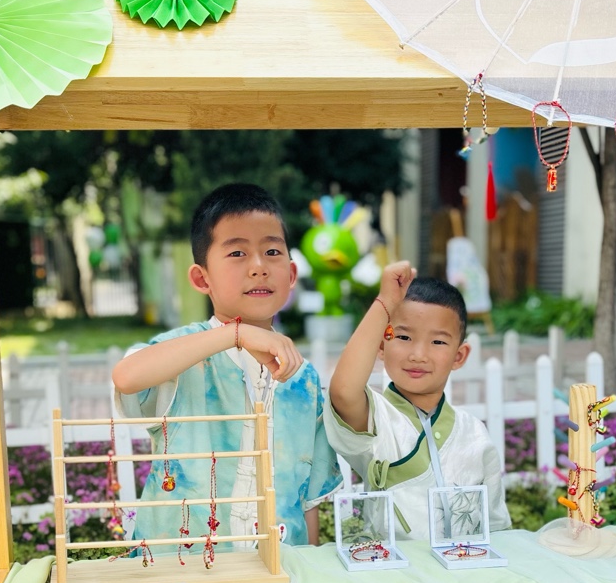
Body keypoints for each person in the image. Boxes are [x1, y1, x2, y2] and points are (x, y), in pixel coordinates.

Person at [112, 183, 340, 551]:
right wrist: (235, 334)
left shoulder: (304, 378)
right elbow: (126, 377)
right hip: (180, 569)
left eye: (272, 251)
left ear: (291, 274)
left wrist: (309, 570)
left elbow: (308, 500)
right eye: (237, 252)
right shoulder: (183, 355)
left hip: (279, 568)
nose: (259, 267)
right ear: (202, 278)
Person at [324, 263, 510, 541]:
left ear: (459, 356)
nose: (418, 354)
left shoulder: (474, 432)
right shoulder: (376, 417)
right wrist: (385, 302)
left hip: (466, 565)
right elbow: (343, 391)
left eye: (438, 342)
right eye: (404, 337)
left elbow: (496, 525)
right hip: (394, 567)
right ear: (381, 346)